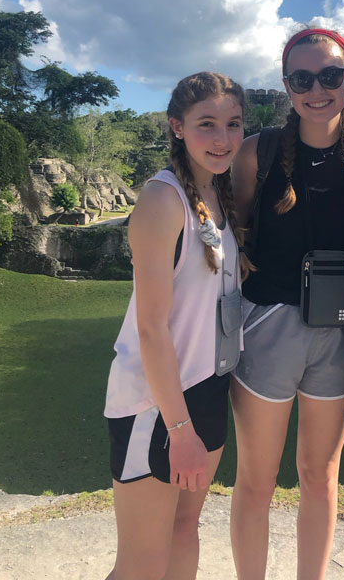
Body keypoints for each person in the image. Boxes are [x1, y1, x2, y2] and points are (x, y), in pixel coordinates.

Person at [230, 28, 344, 580]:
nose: (316, 89)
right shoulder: (260, 152)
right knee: (257, 478)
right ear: (287, 85)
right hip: (269, 323)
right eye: (302, 78)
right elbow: (237, 230)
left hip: (341, 328)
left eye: (330, 76)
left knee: (320, 477)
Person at [103, 72, 246, 580]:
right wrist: (179, 428)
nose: (222, 138)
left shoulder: (217, 196)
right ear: (177, 127)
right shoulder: (164, 200)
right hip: (155, 404)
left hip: (205, 389)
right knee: (142, 562)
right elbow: (151, 329)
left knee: (185, 531)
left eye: (232, 124)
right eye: (206, 124)